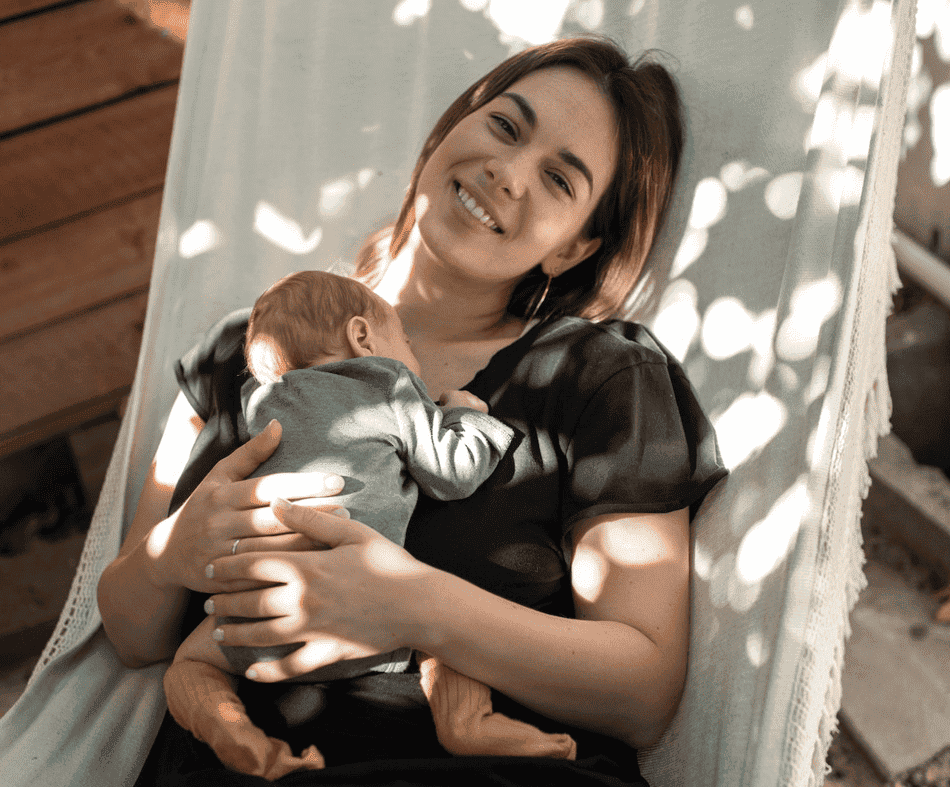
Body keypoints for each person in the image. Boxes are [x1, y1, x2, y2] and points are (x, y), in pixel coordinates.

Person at [97, 34, 728, 787]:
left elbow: (645, 691)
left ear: (574, 248)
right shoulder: (250, 344)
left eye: (559, 179)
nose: (507, 171)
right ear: (451, 128)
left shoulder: (598, 376)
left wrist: (413, 606)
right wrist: (178, 546)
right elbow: (131, 631)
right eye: (505, 126)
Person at [164, 270, 578, 780]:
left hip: (261, 608)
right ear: (363, 337)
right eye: (403, 339)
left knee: (191, 666)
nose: (413, 354)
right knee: (446, 639)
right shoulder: (387, 385)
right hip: (369, 610)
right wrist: (466, 415)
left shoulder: (261, 404)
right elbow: (454, 474)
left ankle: (239, 737)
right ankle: (468, 725)